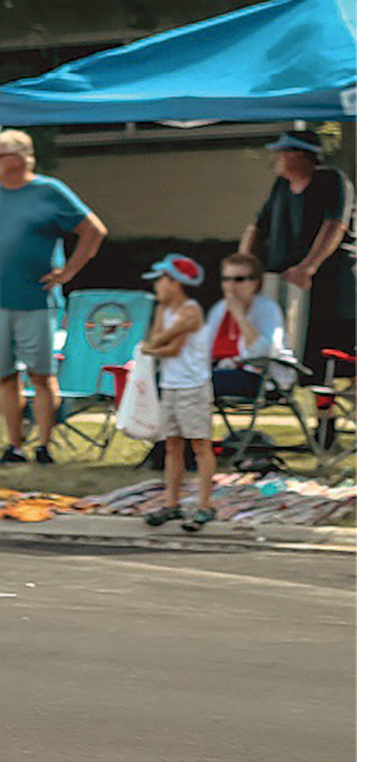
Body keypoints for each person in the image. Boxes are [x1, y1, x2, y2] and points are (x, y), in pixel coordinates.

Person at [0, 129, 108, 465]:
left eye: (1, 154)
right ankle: (15, 446)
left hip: (37, 302)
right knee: (5, 376)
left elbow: (93, 231)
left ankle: (44, 446)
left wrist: (67, 272)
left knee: (41, 375)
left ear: (21, 157)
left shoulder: (49, 191)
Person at [239, 129, 356, 378]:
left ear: (298, 155)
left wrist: (308, 267)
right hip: (290, 289)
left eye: (282, 153)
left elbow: (335, 224)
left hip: (333, 287)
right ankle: (320, 413)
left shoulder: (331, 180)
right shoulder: (281, 186)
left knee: (337, 355)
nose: (276, 158)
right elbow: (256, 227)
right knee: (302, 354)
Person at [140, 255, 217, 532]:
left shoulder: (190, 311)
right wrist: (160, 310)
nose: (157, 286)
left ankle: (205, 506)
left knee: (200, 445)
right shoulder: (167, 309)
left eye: (161, 281)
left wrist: (148, 348)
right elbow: (157, 335)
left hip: (192, 386)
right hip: (170, 385)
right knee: (172, 444)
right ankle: (172, 503)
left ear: (176, 283)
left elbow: (166, 345)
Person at [204, 252, 288, 398]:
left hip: (261, 378)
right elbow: (204, 348)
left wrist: (240, 317)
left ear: (255, 282)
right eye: (226, 279)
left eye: (239, 279)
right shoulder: (220, 309)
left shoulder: (267, 308)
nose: (231, 285)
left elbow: (265, 351)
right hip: (221, 371)